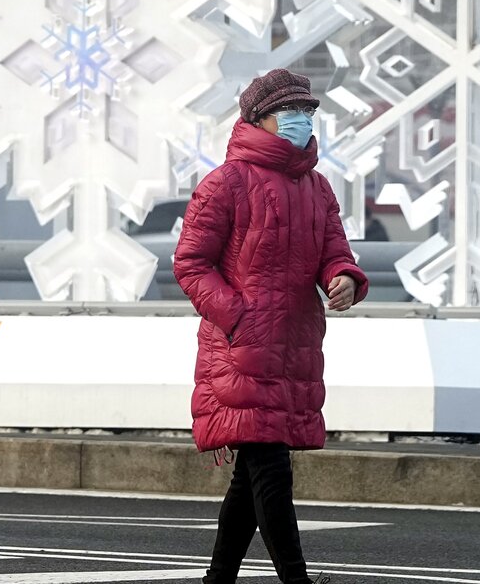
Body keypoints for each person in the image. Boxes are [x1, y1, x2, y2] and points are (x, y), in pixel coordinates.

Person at [172, 68, 368, 584]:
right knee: (271, 468)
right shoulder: (225, 184)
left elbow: (333, 252)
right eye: (291, 112)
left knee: (252, 474)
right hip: (241, 349)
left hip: (296, 345)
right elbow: (191, 263)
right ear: (258, 118)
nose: (302, 121)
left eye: (307, 112)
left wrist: (343, 278)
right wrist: (237, 316)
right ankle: (297, 581)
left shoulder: (317, 186)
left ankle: (219, 579)